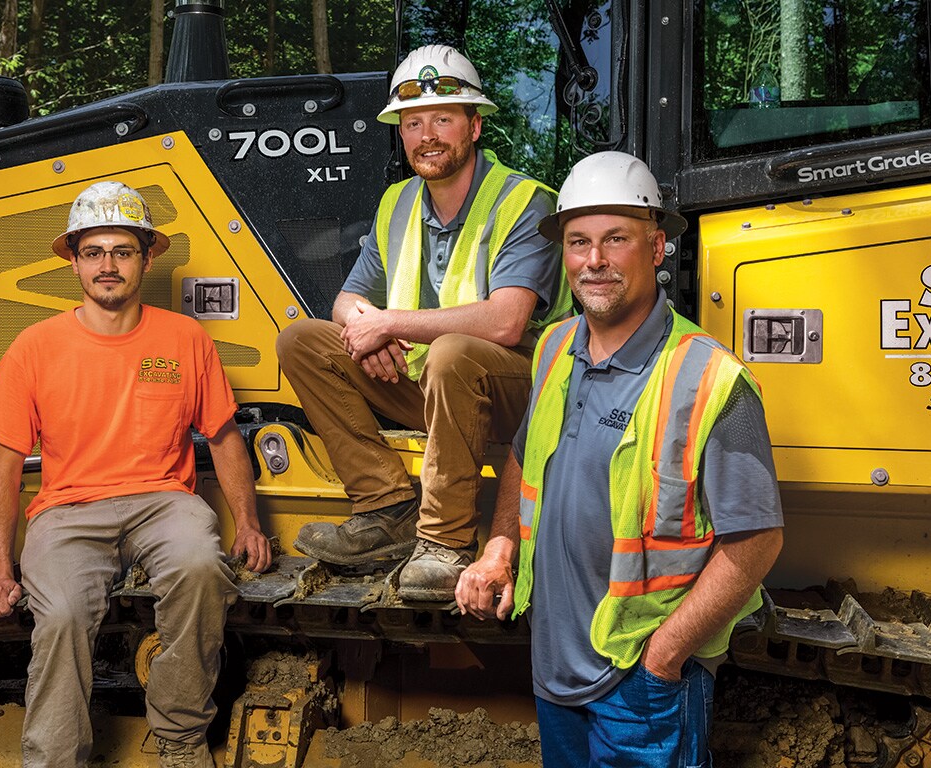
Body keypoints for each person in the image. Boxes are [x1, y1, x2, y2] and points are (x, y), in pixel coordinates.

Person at [454, 151, 785, 767]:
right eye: (578, 242)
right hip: (554, 664)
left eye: (615, 239)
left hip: (642, 679)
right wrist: (501, 546)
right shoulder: (553, 346)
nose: (594, 261)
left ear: (657, 249)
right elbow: (526, 458)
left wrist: (664, 656)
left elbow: (757, 541)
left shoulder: (709, 377)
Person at [0, 181, 272, 768]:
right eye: (94, 252)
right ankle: (55, 759)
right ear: (76, 261)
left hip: (164, 500)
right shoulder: (35, 346)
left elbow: (225, 436)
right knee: (58, 614)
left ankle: (180, 739)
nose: (107, 266)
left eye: (122, 251)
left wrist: (250, 524)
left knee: (200, 565)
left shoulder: (184, 338)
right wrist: (0, 570)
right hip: (67, 510)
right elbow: (4, 466)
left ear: (147, 257)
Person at [277, 44, 569, 601]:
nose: (427, 134)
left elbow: (508, 321)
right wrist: (367, 329)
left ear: (475, 126)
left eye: (443, 118)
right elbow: (347, 301)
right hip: (430, 389)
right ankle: (387, 508)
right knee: (303, 341)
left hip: (521, 398)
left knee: (453, 352)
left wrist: (390, 324)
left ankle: (445, 541)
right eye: (414, 123)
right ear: (401, 133)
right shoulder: (397, 202)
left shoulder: (526, 202)